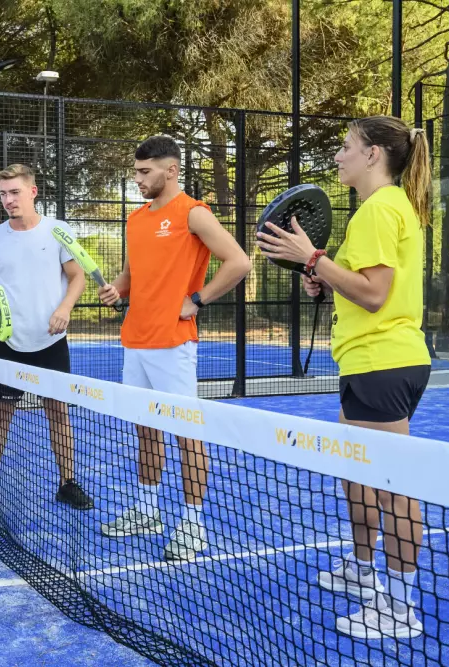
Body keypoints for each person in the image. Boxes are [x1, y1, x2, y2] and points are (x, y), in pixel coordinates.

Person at [256, 115, 432, 639]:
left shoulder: (379, 208)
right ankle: (361, 569)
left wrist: (312, 257)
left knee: (393, 487)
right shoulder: (381, 208)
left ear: (373, 154)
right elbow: (362, 285)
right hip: (368, 361)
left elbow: (376, 295)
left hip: (384, 362)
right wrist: (323, 276)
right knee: (356, 472)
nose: (337, 155)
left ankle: (398, 606)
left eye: (346, 146)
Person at [97, 136, 252, 561]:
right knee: (145, 429)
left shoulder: (194, 213)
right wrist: (117, 289)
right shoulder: (135, 220)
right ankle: (147, 510)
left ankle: (192, 524)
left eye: (145, 172)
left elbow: (240, 262)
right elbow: (131, 276)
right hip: (135, 340)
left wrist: (197, 300)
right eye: (136, 172)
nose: (138, 179)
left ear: (171, 170)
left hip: (174, 342)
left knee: (187, 434)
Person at [0, 164, 93, 515]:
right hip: (7, 343)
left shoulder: (58, 231)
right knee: (0, 415)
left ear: (33, 192)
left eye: (15, 192)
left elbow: (77, 276)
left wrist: (65, 308)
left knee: (58, 413)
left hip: (51, 341)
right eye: (3, 194)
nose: (8, 199)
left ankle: (67, 483)